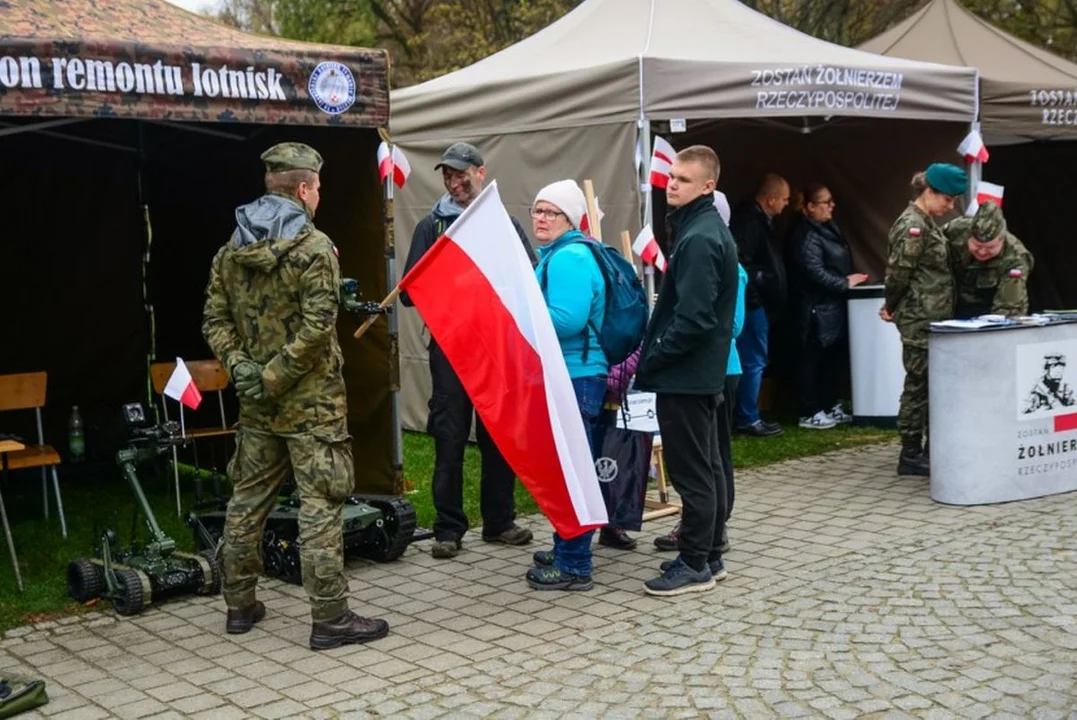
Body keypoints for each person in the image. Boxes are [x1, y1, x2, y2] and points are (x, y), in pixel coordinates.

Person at [202, 142, 388, 650]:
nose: (319, 195)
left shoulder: (231, 249)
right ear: (305, 188)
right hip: (312, 405)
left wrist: (244, 369)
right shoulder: (314, 248)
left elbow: (214, 320)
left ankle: (239, 606)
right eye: (318, 187)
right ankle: (330, 618)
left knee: (247, 501)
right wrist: (276, 375)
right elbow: (317, 325)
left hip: (258, 403)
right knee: (321, 505)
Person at [400, 142, 536, 559]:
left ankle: (499, 521)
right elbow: (407, 293)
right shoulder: (432, 227)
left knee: (498, 435)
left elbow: (528, 278)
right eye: (447, 176)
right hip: (451, 348)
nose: (454, 183)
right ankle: (448, 528)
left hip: (495, 348)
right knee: (449, 436)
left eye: (461, 175)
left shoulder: (503, 223)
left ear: (481, 172)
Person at [635, 145, 738, 597]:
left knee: (693, 470)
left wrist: (654, 355)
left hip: (687, 375)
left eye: (682, 180)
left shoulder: (700, 237)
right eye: (671, 177)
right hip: (698, 374)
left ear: (708, 186)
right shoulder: (701, 229)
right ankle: (709, 552)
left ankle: (696, 561)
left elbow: (695, 318)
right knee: (708, 465)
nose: (670, 185)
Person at [523, 179, 609, 591]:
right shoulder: (560, 253)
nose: (540, 218)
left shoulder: (569, 258)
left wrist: (520, 317)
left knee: (571, 472)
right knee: (567, 468)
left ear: (569, 218)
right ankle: (566, 547)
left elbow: (568, 320)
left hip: (576, 376)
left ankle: (575, 564)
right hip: (573, 375)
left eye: (550, 212)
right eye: (536, 210)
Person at [880, 163, 967, 477]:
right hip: (920, 318)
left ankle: (930, 447)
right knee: (918, 384)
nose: (951, 206)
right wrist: (890, 304)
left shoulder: (927, 222)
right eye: (947, 198)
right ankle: (911, 452)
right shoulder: (913, 225)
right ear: (929, 192)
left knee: (931, 384)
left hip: (933, 317)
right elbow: (898, 272)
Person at [653, 261, 746, 555]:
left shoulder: (732, 268)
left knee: (714, 454)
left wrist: (682, 323)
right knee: (708, 454)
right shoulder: (698, 266)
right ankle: (707, 529)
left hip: (720, 369)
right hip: (702, 370)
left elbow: (734, 325)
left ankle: (716, 529)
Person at [787, 184, 869, 429]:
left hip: (831, 307)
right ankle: (810, 410)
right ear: (810, 207)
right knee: (811, 361)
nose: (832, 206)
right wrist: (844, 282)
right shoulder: (805, 235)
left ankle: (828, 403)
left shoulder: (827, 228)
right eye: (826, 201)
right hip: (813, 309)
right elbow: (814, 272)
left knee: (831, 359)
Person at [729, 174, 789, 437]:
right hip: (752, 305)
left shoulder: (756, 219)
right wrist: (757, 296)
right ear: (771, 198)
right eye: (784, 199)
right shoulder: (750, 222)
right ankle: (747, 417)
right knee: (753, 360)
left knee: (752, 360)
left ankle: (747, 414)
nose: (786, 205)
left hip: (754, 302)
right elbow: (744, 264)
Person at [944, 201, 1033, 319]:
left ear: (1002, 239)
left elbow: (1008, 308)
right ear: (968, 236)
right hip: (949, 304)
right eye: (977, 245)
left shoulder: (1015, 258)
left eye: (990, 247)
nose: (982, 252)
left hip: (987, 311)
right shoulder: (954, 231)